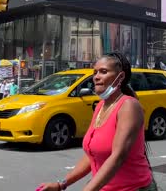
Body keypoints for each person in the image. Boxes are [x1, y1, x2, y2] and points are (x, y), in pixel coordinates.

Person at [37, 52, 156, 191]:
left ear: (120, 77)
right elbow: (92, 156)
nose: (96, 77)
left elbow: (117, 156)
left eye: (103, 72)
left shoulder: (129, 106)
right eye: (95, 72)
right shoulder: (100, 106)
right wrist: (61, 184)